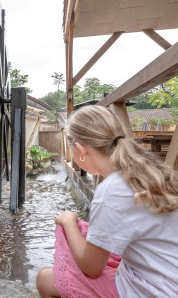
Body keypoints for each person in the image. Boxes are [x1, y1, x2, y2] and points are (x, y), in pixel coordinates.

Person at [36, 105, 178, 298]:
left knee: (45, 279)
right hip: (169, 279)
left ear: (80, 150)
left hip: (151, 291)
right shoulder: (154, 173)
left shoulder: (112, 189)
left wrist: (68, 221)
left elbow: (91, 268)